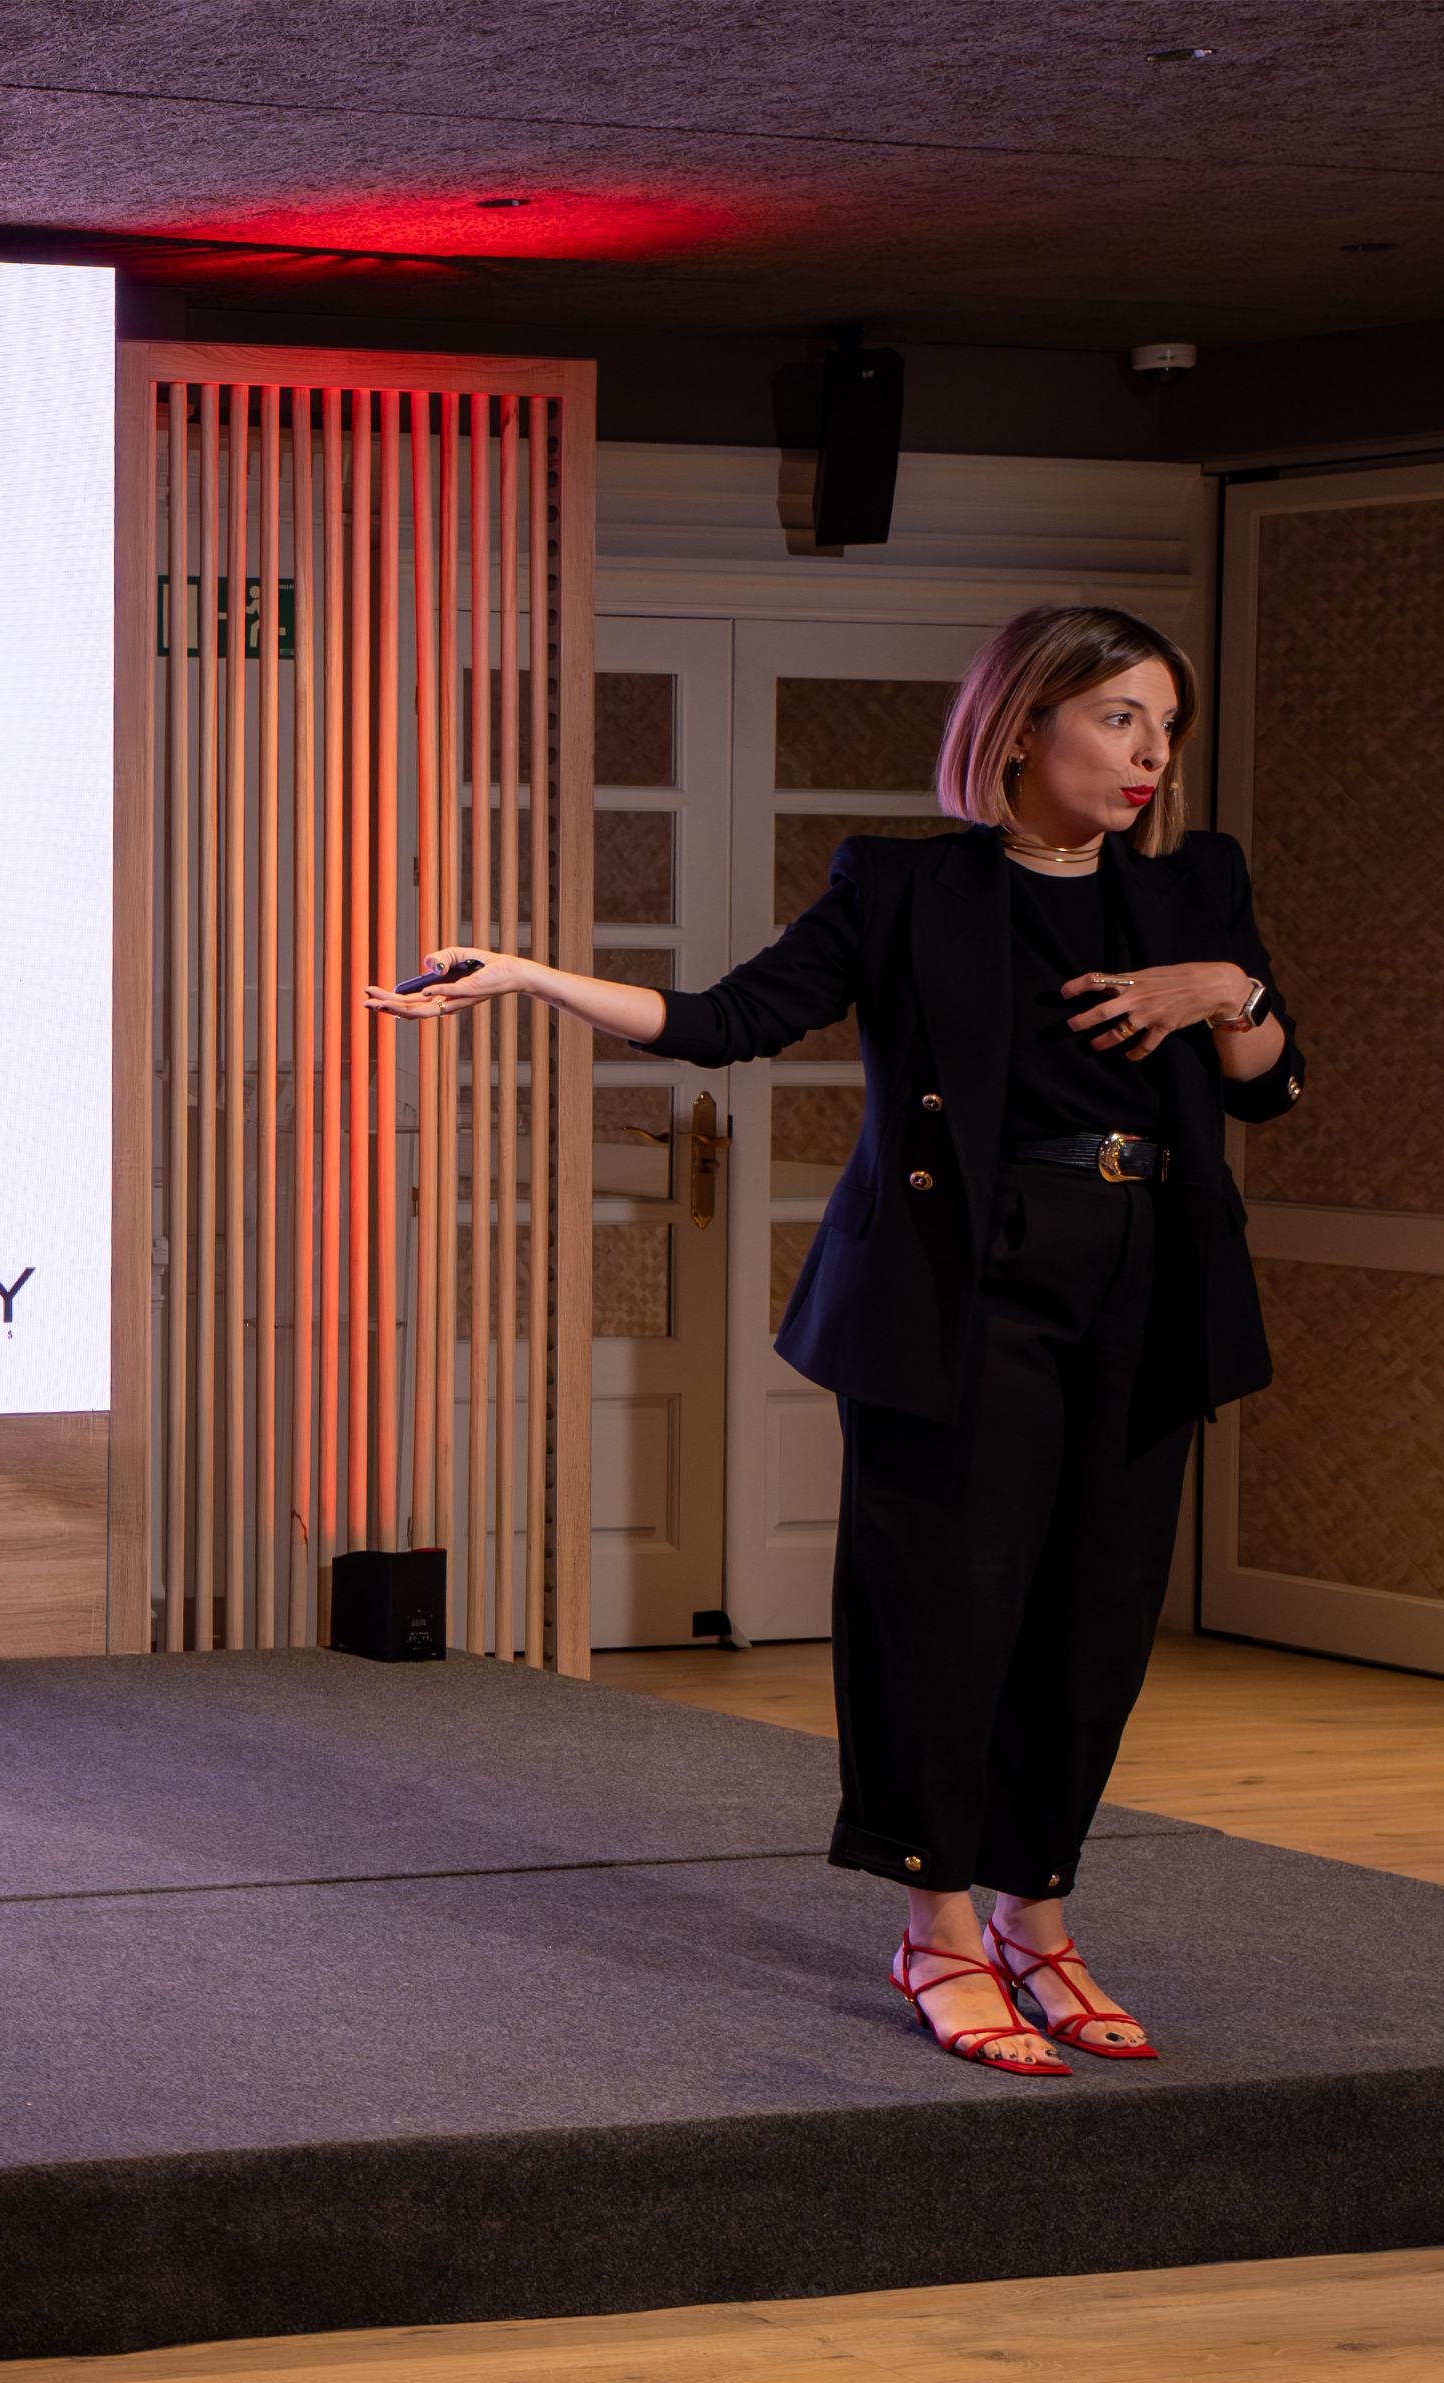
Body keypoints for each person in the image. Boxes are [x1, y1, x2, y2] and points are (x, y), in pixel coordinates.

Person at [362, 605, 1303, 2075]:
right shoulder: (906, 885)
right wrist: (536, 978)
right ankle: (939, 1930)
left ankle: (1039, 1919)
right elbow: (727, 1018)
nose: (1151, 755)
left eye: (1165, 725)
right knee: (947, 1612)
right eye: (1120, 716)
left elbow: (1262, 1085)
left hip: (1146, 1280)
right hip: (962, 1291)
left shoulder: (1198, 885)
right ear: (1024, 723)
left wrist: (1228, 990)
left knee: (1098, 1620)